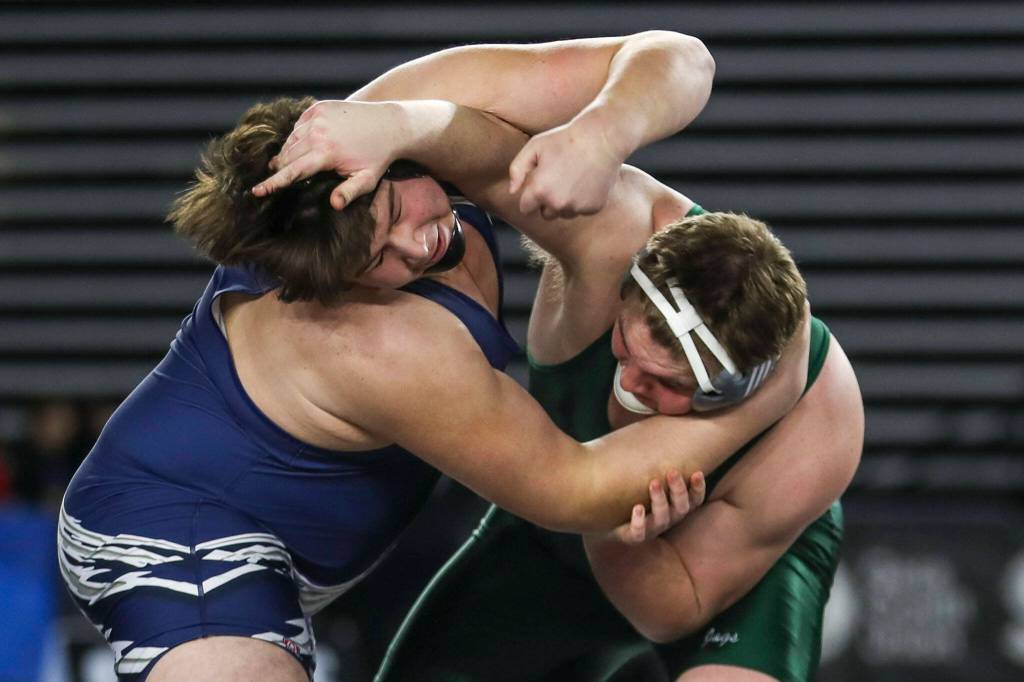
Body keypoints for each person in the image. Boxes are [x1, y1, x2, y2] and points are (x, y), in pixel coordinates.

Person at [58, 33, 808, 682]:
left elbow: (680, 57)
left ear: (369, 148)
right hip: (172, 529)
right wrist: (776, 385)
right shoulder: (377, 343)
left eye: (393, 213)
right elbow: (579, 488)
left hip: (309, 536)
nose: (417, 245)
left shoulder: (404, 112)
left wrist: (602, 134)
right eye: (376, 262)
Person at [261, 35, 863, 682]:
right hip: (551, 542)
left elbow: (674, 609)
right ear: (629, 286)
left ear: (728, 391)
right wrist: (398, 124)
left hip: (720, 574)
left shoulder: (815, 431)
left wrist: (613, 536)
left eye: (666, 386)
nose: (629, 386)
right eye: (627, 347)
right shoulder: (614, 238)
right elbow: (482, 152)